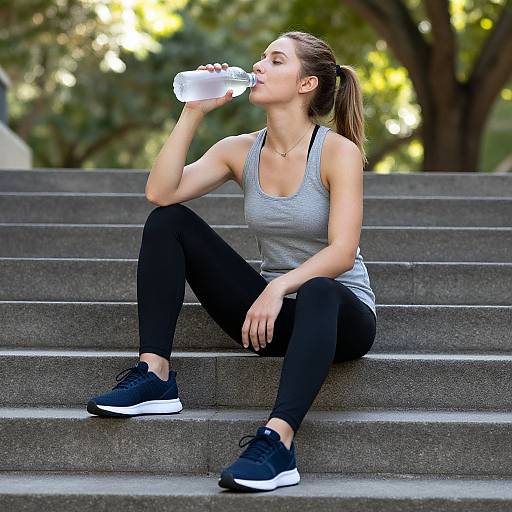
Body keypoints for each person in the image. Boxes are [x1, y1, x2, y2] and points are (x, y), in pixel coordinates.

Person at [86, 30, 377, 493]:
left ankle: (278, 442)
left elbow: (341, 253)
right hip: (268, 317)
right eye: (261, 57)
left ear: (306, 84)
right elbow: (160, 192)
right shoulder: (239, 149)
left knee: (321, 289)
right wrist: (193, 112)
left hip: (338, 315)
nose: (258, 66)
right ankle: (156, 375)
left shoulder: (337, 151)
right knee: (169, 221)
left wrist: (277, 287)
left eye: (275, 60)